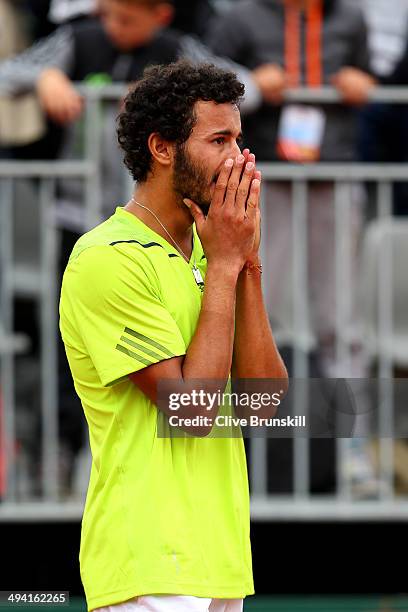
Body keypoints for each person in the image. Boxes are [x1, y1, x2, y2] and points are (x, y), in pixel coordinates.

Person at [59, 59, 287, 611]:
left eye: (240, 139)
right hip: (147, 562)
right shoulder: (105, 258)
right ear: (163, 149)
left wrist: (246, 262)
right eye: (220, 140)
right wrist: (229, 264)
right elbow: (190, 414)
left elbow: (265, 407)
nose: (239, 158)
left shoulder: (219, 251)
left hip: (220, 561)